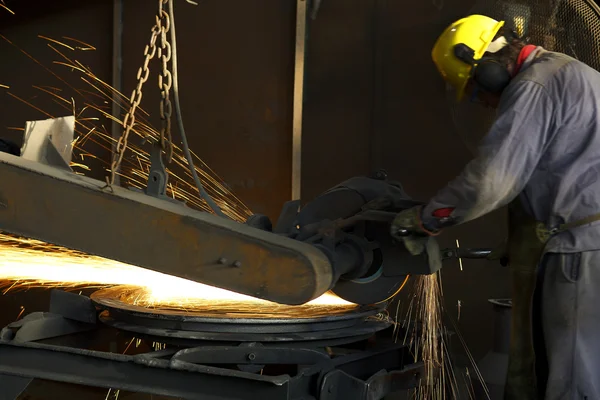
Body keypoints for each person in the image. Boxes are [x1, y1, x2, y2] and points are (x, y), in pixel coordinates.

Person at [390, 14, 600, 400]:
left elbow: (493, 179)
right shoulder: (570, 71)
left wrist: (426, 219)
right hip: (587, 242)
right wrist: (524, 233)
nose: (482, 102)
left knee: (574, 382)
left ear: (488, 69)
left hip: (581, 252)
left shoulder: (534, 85)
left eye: (474, 89)